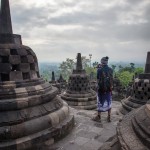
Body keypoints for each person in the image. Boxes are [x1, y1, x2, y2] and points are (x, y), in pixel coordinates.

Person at [93, 56, 113, 122]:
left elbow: (98, 79)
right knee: (109, 101)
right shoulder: (111, 69)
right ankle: (109, 116)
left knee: (100, 102)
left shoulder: (99, 70)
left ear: (101, 62)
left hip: (101, 89)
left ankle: (99, 116)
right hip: (109, 89)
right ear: (107, 62)